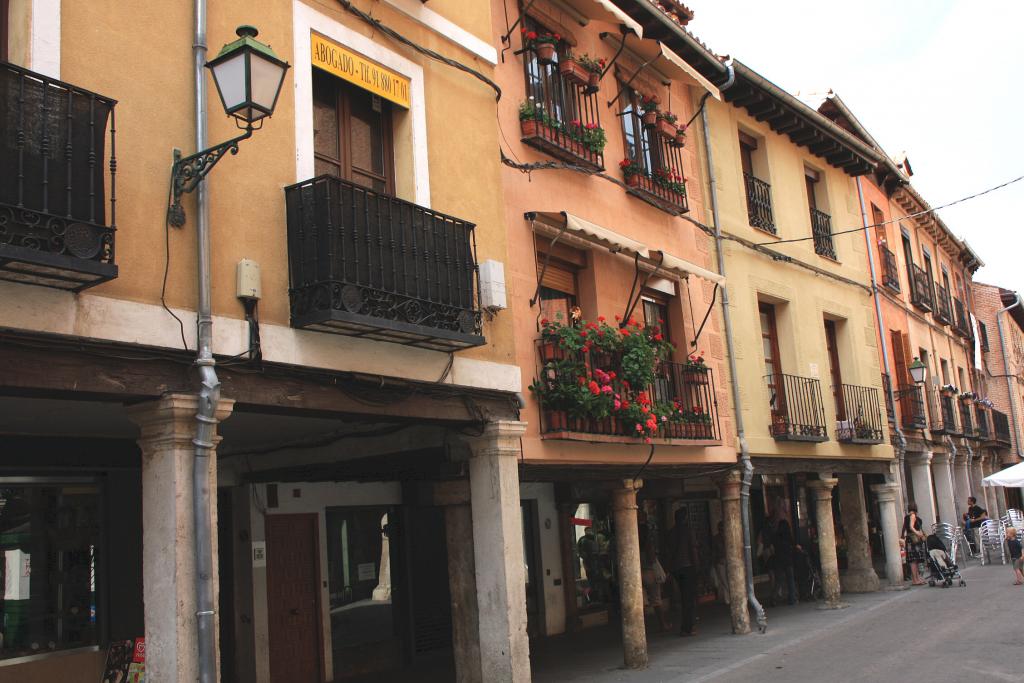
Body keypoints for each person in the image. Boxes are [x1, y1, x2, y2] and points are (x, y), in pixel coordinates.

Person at [667, 507, 700, 636]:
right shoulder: (688, 531)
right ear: (685, 518)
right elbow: (693, 550)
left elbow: (669, 552)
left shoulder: (671, 533)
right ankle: (688, 627)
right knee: (689, 599)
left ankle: (687, 626)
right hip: (687, 567)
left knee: (684, 597)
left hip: (676, 568)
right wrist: (697, 566)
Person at [639, 518, 672, 630]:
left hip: (638, 573)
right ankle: (663, 624)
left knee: (641, 602)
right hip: (649, 572)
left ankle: (641, 627)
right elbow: (652, 559)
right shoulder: (648, 544)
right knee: (656, 600)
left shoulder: (634, 543)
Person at [772, 516, 797, 605]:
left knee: (778, 581)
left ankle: (774, 598)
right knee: (790, 580)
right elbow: (793, 545)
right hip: (788, 560)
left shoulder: (776, 536)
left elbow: (774, 547)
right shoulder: (788, 536)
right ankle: (792, 598)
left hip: (778, 560)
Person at [902, 502, 927, 585]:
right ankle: (915, 580)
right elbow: (911, 527)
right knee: (914, 560)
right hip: (914, 540)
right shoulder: (913, 516)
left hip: (909, 540)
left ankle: (916, 578)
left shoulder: (906, 517)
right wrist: (918, 533)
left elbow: (905, 528)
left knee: (913, 560)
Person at [711, 521, 730, 605]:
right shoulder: (715, 539)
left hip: (729, 560)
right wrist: (717, 560)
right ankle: (728, 598)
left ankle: (728, 598)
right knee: (724, 580)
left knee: (729, 579)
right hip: (720, 562)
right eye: (720, 528)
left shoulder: (729, 537)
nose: (722, 530)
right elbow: (713, 552)